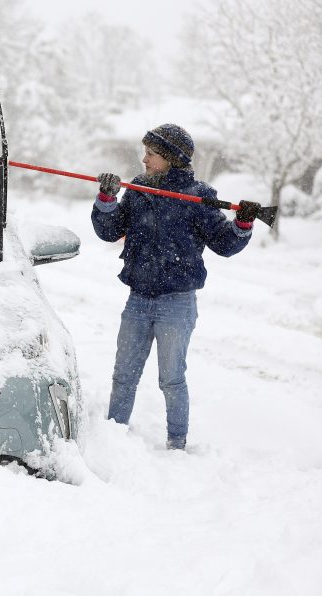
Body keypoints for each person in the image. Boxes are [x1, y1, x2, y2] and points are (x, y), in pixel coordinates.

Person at [91, 123, 260, 450]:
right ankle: (113, 441)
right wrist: (107, 199)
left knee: (171, 380)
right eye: (145, 153)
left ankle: (177, 443)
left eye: (151, 154)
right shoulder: (139, 189)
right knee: (123, 377)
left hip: (177, 304)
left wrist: (243, 223)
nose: (144, 159)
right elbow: (110, 230)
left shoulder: (198, 197)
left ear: (171, 158)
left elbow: (224, 243)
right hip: (138, 300)